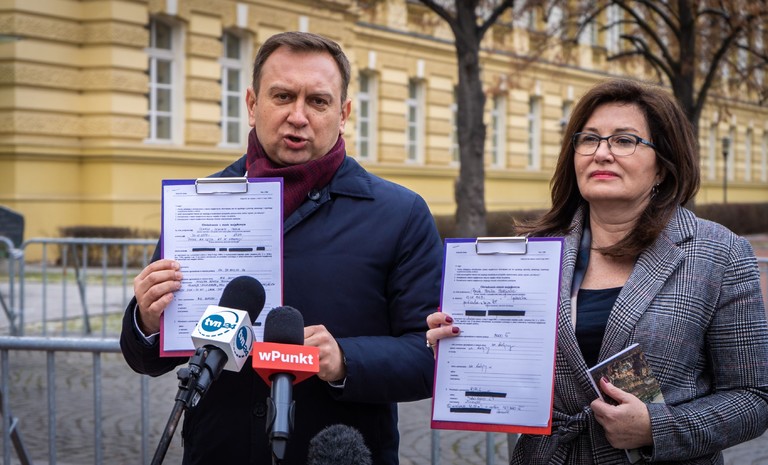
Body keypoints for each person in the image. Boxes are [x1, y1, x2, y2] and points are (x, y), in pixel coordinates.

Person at [121, 31, 442, 465]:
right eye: (283, 96)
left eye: (318, 101)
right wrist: (146, 318)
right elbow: (146, 358)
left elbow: (429, 356)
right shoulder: (199, 204)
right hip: (219, 453)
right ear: (253, 104)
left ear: (344, 114)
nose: (298, 116)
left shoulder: (399, 214)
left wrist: (345, 359)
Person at [426, 78, 768, 464]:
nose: (601, 153)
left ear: (663, 165)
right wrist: (462, 347)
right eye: (589, 139)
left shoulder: (718, 253)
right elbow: (511, 367)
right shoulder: (532, 253)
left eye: (624, 140)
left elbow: (754, 398)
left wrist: (657, 429)